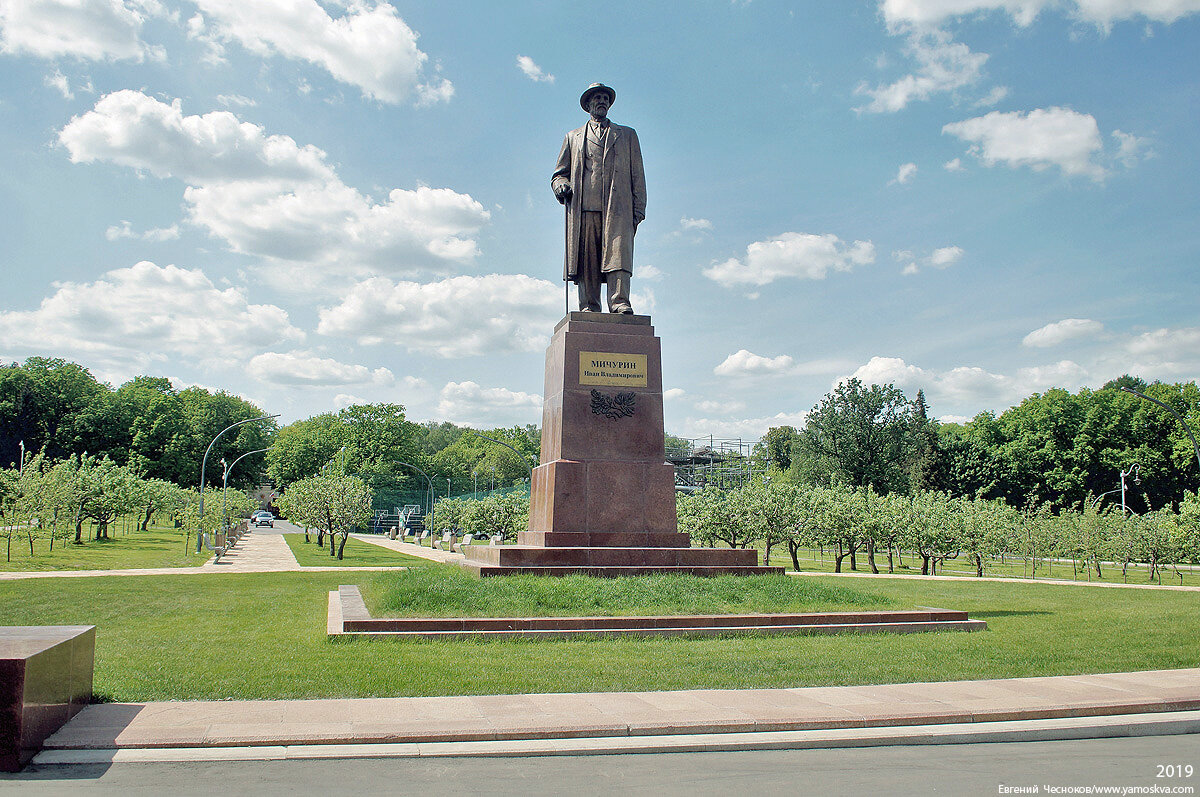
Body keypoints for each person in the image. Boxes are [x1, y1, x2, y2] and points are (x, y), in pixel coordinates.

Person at [552, 83, 646, 314]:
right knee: (588, 260)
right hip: (585, 208)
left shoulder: (627, 135)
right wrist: (561, 185)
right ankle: (589, 306)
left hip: (619, 208)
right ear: (588, 105)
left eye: (605, 97)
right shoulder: (573, 137)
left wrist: (638, 208)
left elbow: (638, 174)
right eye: (597, 98)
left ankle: (620, 302)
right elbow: (559, 174)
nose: (602, 101)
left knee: (619, 257)